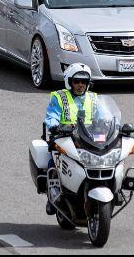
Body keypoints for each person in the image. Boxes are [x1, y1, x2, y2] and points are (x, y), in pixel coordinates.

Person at [43, 63, 100, 215]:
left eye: (84, 82)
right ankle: (52, 196)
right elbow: (51, 116)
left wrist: (114, 127)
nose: (80, 85)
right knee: (53, 162)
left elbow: (104, 117)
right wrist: (55, 126)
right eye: (77, 81)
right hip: (65, 138)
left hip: (89, 139)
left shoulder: (94, 98)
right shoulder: (59, 97)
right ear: (70, 81)